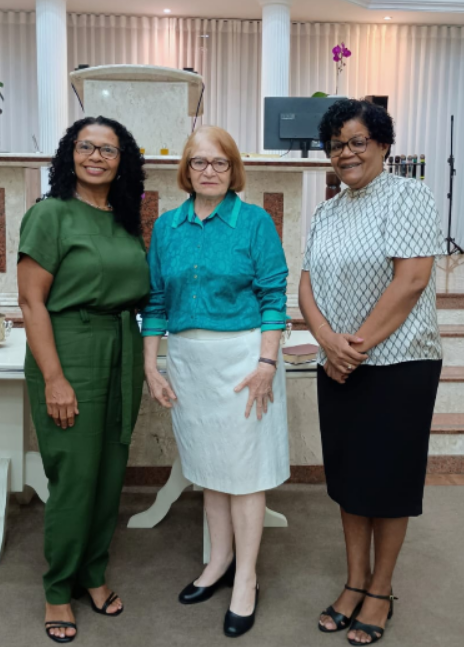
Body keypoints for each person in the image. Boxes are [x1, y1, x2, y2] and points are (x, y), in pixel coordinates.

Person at [299, 99, 446, 645]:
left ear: (382, 144)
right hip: (337, 363)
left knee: (387, 480)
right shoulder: (327, 212)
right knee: (349, 479)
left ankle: (380, 589)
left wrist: (351, 348)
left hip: (400, 363)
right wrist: (326, 340)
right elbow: (305, 284)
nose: (346, 153)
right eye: (336, 145)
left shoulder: (409, 196)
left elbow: (411, 281)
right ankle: (354, 579)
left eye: (357, 141)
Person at [143, 125, 290, 638]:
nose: (209, 171)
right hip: (189, 363)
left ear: (233, 170)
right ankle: (219, 562)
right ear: (186, 169)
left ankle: (246, 578)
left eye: (219, 162)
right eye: (199, 162)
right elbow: (156, 300)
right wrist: (151, 365)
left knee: (244, 474)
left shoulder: (254, 222)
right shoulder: (167, 227)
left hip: (244, 361)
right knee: (209, 470)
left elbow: (274, 295)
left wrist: (267, 363)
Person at [17, 116, 150, 643]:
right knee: (74, 477)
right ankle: (58, 588)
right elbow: (32, 302)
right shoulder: (49, 214)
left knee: (110, 472)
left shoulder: (124, 220)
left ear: (122, 160)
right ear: (70, 153)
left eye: (108, 150)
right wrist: (54, 378)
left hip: (122, 347)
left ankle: (93, 573)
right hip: (70, 349)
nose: (96, 157)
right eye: (86, 146)